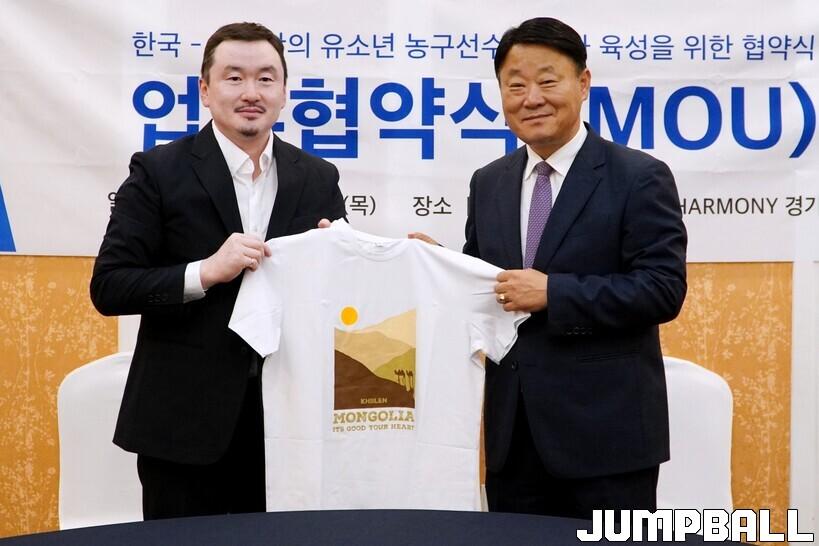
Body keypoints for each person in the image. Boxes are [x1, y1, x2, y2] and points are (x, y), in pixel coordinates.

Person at [90, 22, 346, 519]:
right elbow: (110, 286)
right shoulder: (158, 171)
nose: (251, 92)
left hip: (290, 427)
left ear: (285, 92)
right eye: (234, 78)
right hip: (182, 426)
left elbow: (338, 296)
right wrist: (204, 272)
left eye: (266, 78)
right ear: (205, 91)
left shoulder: (317, 177)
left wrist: (346, 258)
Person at [450, 17, 686, 518]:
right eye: (515, 86)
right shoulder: (488, 182)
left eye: (547, 81)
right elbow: (487, 285)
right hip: (514, 437)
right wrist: (439, 263)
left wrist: (555, 293)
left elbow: (662, 289)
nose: (531, 98)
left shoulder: (638, 176)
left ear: (583, 84)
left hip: (608, 438)